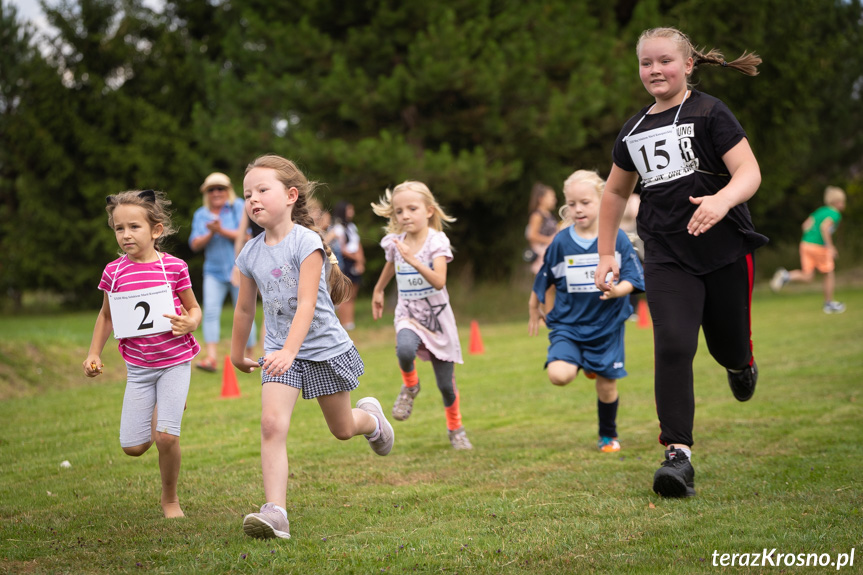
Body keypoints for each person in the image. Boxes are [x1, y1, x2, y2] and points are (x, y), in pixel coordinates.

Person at [594, 27, 768, 498]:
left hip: (725, 250)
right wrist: (606, 251)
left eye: (665, 61)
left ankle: (741, 362)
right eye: (647, 63)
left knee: (726, 348)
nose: (656, 70)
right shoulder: (633, 130)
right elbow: (614, 191)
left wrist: (721, 201)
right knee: (672, 345)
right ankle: (678, 455)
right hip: (668, 256)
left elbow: (748, 172)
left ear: (688, 65)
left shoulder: (710, 112)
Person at [231, 155, 394, 540]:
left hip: (321, 348)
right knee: (272, 425)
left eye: (262, 190)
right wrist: (238, 352)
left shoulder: (307, 242)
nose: (253, 199)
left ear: (290, 195)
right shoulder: (250, 253)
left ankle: (370, 420)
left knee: (341, 428)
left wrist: (290, 349)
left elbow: (306, 303)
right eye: (247, 194)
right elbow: (243, 307)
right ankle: (276, 513)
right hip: (277, 352)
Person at [83, 189, 202, 518]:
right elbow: (106, 316)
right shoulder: (114, 272)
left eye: (134, 227)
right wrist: (94, 352)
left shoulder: (174, 267)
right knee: (133, 447)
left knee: (165, 438)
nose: (125, 235)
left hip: (175, 361)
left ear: (156, 230)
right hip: (138, 369)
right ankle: (170, 407)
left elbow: (194, 309)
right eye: (119, 228)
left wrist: (189, 323)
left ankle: (170, 500)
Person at [528, 170, 644, 453]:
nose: (577, 209)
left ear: (603, 200)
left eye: (585, 202)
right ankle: (582, 360)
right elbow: (546, 278)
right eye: (572, 203)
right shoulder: (561, 241)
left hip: (607, 325)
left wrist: (618, 290)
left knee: (607, 388)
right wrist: (535, 306)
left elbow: (634, 277)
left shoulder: (617, 239)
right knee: (559, 375)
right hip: (570, 324)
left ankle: (608, 435)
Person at [371, 181, 472, 450]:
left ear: (429, 210)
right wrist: (379, 290)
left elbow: (439, 280)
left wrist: (414, 260)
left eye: (411, 209)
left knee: (446, 387)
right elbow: (391, 265)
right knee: (404, 349)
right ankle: (411, 386)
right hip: (409, 314)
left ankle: (456, 428)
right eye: (399, 211)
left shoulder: (437, 241)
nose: (404, 216)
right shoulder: (396, 243)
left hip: (438, 320)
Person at [189, 172, 256, 372]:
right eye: (211, 189)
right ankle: (211, 357)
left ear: (228, 190)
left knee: (245, 311)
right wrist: (211, 232)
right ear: (206, 193)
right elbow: (194, 244)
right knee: (210, 312)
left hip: (240, 269)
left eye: (220, 188)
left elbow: (247, 236)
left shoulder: (239, 208)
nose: (216, 192)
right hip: (213, 272)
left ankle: (249, 356)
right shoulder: (201, 214)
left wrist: (221, 230)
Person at [770, 186, 847, 313]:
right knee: (828, 273)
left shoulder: (820, 211)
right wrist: (830, 247)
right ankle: (828, 303)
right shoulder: (835, 214)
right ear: (837, 202)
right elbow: (824, 228)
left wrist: (811, 236)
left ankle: (785, 276)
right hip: (818, 246)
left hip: (805, 244)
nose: (843, 204)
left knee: (808, 276)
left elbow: (805, 226)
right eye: (843, 202)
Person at [331, 201, 365, 330]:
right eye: (349, 210)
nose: (352, 212)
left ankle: (350, 323)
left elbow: (358, 244)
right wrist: (355, 258)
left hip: (355, 260)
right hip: (346, 261)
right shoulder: (338, 228)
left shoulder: (352, 227)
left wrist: (360, 261)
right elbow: (342, 248)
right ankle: (344, 323)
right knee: (345, 294)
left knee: (352, 294)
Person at [525, 182, 559, 274]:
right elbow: (532, 235)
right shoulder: (537, 215)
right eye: (552, 197)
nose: (554, 200)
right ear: (541, 199)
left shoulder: (549, 215)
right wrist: (549, 240)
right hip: (541, 255)